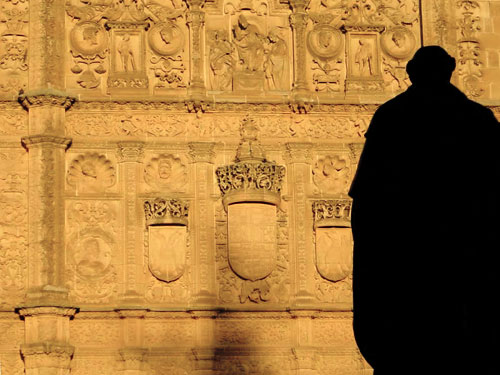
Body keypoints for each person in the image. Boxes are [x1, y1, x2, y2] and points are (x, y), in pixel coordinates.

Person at [349, 46, 499, 375]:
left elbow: (366, 199)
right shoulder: (479, 120)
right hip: (466, 271)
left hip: (404, 274)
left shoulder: (391, 117)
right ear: (449, 72)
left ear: (412, 74)